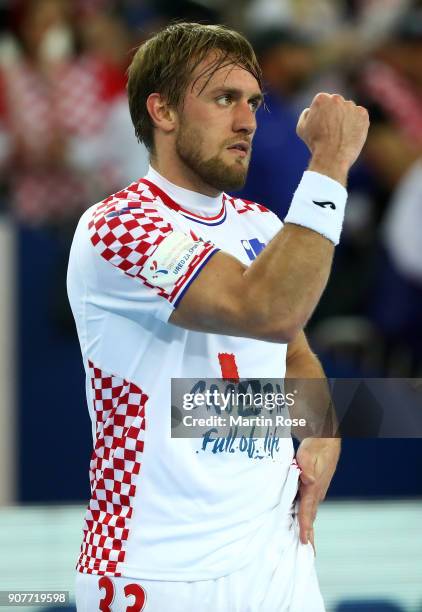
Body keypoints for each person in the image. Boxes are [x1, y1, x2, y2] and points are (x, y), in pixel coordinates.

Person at [68, 22, 369, 611]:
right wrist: (330, 161)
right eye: (224, 98)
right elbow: (265, 309)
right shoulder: (118, 225)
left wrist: (323, 427)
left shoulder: (260, 224)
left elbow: (292, 349)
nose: (248, 121)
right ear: (163, 111)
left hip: (277, 558)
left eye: (253, 101)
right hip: (154, 569)